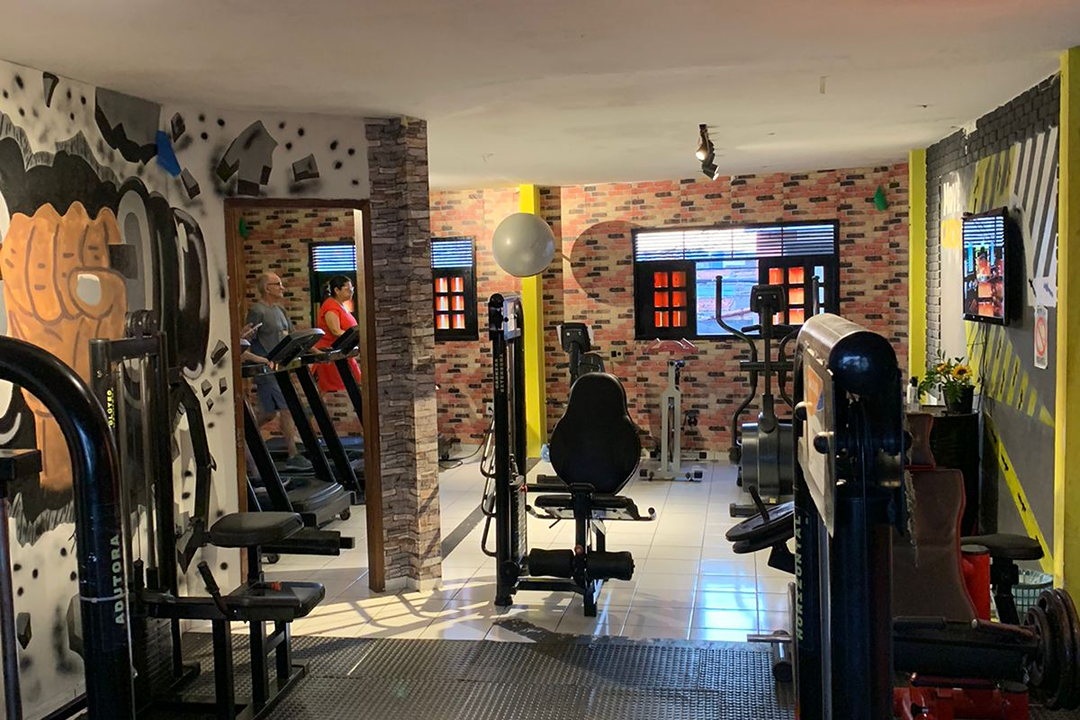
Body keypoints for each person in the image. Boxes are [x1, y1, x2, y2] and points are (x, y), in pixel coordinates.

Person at [245, 272, 312, 471]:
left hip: (280, 368)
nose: (282, 288)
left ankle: (242, 437)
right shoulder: (257, 311)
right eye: (278, 284)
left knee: (268, 414)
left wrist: (314, 349)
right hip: (266, 370)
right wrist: (255, 360)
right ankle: (293, 455)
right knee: (287, 408)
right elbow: (245, 339)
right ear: (267, 288)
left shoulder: (280, 309)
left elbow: (292, 335)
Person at [313, 275, 362, 395]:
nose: (351, 291)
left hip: (344, 352)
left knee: (357, 383)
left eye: (352, 288)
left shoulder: (342, 306)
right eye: (347, 289)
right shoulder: (330, 306)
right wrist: (356, 337)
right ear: (337, 290)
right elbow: (335, 330)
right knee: (331, 392)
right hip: (332, 352)